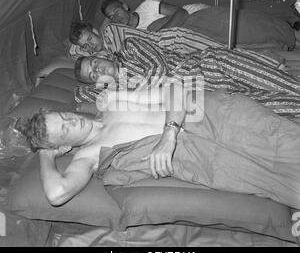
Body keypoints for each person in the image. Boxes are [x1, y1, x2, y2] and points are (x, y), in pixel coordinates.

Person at [18, 88, 300, 209]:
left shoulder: (115, 104)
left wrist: (169, 136)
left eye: (65, 116)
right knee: (287, 186)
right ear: (63, 146)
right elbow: (57, 194)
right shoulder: (88, 157)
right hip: (208, 157)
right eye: (65, 130)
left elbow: (175, 89)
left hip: (215, 116)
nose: (73, 120)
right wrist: (46, 155)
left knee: (290, 144)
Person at [73, 37, 300, 118]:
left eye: (95, 64)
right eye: (93, 75)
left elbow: (158, 66)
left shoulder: (129, 48)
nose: (99, 71)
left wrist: (135, 92)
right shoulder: (114, 88)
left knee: (279, 84)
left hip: (207, 67)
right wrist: (93, 88)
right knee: (272, 105)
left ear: (101, 56)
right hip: (207, 95)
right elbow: (82, 94)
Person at [101, 0, 210, 30]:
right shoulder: (130, 35)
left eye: (116, 11)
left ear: (125, 7)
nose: (116, 17)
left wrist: (159, 35)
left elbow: (182, 12)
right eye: (112, 17)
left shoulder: (147, 6)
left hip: (196, 13)